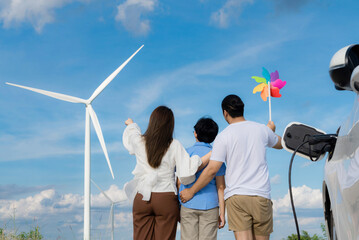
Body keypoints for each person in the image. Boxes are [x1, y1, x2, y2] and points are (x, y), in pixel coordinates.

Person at [180, 94, 282, 240]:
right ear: (242, 109)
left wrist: (191, 191)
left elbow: (212, 169)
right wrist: (270, 131)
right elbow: (280, 144)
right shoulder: (262, 130)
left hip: (237, 197)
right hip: (261, 195)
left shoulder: (224, 136)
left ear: (225, 113)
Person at [122, 106, 211, 240]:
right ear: (170, 125)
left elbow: (133, 134)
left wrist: (131, 124)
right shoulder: (174, 144)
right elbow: (187, 171)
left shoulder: (139, 141)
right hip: (165, 197)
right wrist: (211, 154)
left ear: (152, 121)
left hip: (142, 197)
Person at [178, 117, 226, 240]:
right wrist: (222, 213)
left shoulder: (186, 153)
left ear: (195, 133)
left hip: (187, 203)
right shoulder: (217, 156)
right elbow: (221, 187)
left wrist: (179, 206)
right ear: (214, 137)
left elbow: (179, 181)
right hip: (210, 205)